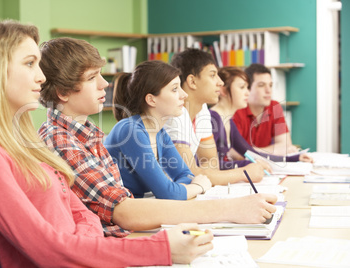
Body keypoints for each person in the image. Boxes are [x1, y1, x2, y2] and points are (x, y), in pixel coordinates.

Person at [0, 21, 215, 267]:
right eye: (30, 64)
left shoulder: (21, 144)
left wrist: (83, 238)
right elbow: (47, 248)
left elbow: (84, 216)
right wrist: (161, 249)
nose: (41, 78)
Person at [38, 37, 278, 238]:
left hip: (132, 229)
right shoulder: (62, 139)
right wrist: (225, 207)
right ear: (63, 92)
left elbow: (184, 175)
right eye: (92, 78)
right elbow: (127, 210)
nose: (105, 83)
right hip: (120, 235)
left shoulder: (90, 134)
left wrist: (194, 186)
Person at [104, 60, 212, 200]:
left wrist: (177, 191)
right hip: (120, 213)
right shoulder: (130, 130)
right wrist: (198, 187)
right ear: (151, 100)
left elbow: (186, 175)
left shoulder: (160, 133)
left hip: (140, 207)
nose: (183, 94)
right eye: (174, 89)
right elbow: (168, 193)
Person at [163, 48, 268, 185]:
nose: (220, 82)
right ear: (192, 82)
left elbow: (211, 163)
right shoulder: (175, 114)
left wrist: (206, 175)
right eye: (213, 75)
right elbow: (190, 174)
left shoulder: (202, 111)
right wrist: (243, 173)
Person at [209, 66, 313, 169]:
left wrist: (294, 158)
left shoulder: (228, 121)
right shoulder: (214, 118)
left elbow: (250, 153)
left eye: (247, 87)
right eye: (242, 87)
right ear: (223, 90)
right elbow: (208, 165)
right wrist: (250, 165)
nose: (247, 93)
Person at [233, 63, 298, 155]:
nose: (268, 90)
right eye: (261, 85)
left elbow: (286, 146)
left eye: (270, 85)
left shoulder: (275, 107)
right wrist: (273, 151)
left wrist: (252, 151)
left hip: (267, 165)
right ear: (247, 88)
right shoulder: (236, 110)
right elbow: (234, 153)